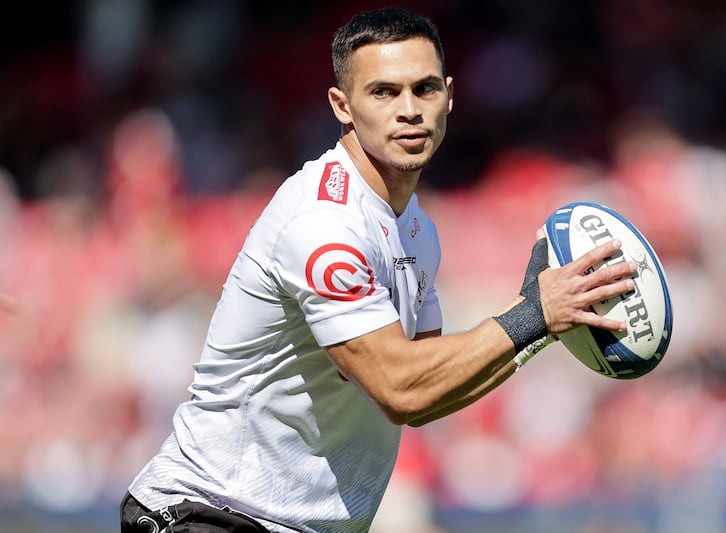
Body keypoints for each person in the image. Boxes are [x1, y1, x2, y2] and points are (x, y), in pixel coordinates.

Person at [120, 7, 636, 533]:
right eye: (384, 92)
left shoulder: (417, 231)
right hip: (209, 513)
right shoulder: (324, 224)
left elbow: (428, 395)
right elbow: (399, 386)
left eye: (425, 89)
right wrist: (533, 317)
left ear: (450, 97)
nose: (409, 110)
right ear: (342, 106)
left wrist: (535, 325)